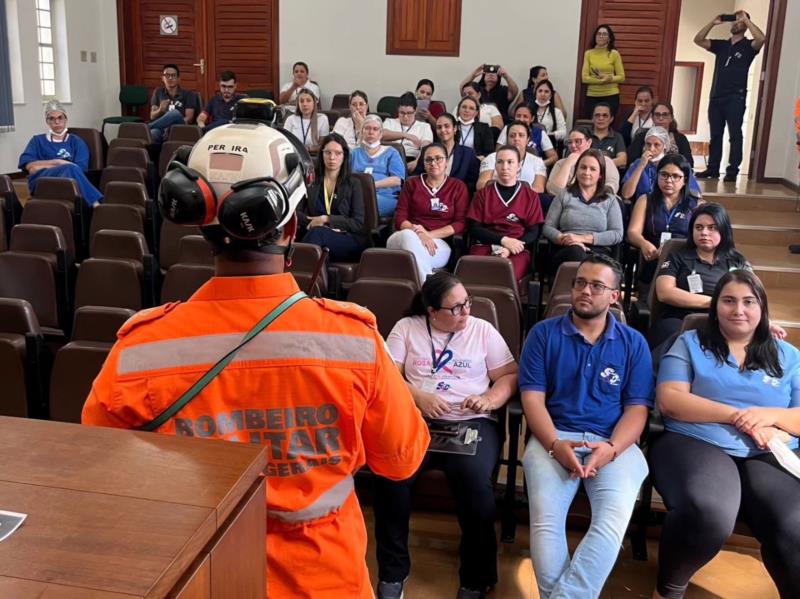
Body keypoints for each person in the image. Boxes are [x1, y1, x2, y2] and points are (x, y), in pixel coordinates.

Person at [81, 105, 429, 599]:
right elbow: (401, 459)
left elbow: (102, 476)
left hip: (195, 580)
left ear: (200, 224)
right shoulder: (354, 343)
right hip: (323, 583)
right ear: (290, 228)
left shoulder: (140, 350)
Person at [651, 270, 800, 599]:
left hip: (766, 450)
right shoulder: (690, 342)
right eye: (729, 301)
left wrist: (768, 418)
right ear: (715, 305)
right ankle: (668, 590)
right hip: (695, 440)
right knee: (710, 512)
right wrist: (737, 416)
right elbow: (671, 400)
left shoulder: (788, 356)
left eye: (749, 302)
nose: (739, 310)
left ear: (762, 308)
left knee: (795, 525)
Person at [374, 272, 518, 599]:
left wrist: (490, 400)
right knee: (391, 478)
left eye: (467, 303)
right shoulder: (407, 328)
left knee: (474, 483)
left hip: (471, 420)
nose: (465, 312)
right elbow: (386, 376)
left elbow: (510, 375)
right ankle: (393, 572)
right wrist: (418, 397)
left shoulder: (482, 330)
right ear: (431, 310)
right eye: (455, 308)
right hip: (418, 418)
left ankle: (476, 578)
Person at [520, 254, 652, 599]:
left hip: (613, 442)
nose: (585, 291)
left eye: (597, 285)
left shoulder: (633, 342)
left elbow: (637, 409)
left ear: (615, 295)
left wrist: (612, 449)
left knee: (611, 522)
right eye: (580, 282)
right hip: (555, 436)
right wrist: (552, 444)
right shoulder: (543, 334)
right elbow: (532, 399)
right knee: (546, 520)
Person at [650, 202, 750, 349]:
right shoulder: (677, 254)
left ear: (724, 230)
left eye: (712, 228)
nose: (704, 232)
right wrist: (713, 302)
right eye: (699, 227)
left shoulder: (737, 260)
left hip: (722, 319)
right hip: (679, 318)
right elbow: (665, 292)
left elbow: (752, 297)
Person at [694, 11, 765, 182]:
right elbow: (698, 39)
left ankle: (732, 170)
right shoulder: (722, 46)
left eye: (739, 20)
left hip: (735, 97)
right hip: (716, 97)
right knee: (716, 135)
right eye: (735, 20)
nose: (736, 22)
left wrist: (746, 20)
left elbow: (761, 39)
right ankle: (713, 169)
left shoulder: (749, 47)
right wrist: (713, 22)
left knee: (735, 134)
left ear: (746, 25)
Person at [388, 143, 469, 283]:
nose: (433, 163)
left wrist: (429, 235)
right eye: (428, 159)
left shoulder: (458, 187)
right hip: (404, 237)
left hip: (438, 243)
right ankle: (427, 286)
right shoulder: (411, 184)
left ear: (447, 161)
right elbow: (400, 219)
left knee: (411, 258)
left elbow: (460, 223)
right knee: (408, 236)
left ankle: (420, 286)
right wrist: (419, 233)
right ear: (423, 164)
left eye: (438, 158)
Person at [467, 145, 544, 284]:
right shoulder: (483, 194)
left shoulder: (531, 196)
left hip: (517, 249)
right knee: (475, 276)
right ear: (495, 166)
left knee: (505, 276)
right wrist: (503, 241)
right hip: (485, 245)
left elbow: (534, 232)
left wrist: (510, 247)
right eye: (500, 162)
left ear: (519, 166)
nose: (505, 167)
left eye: (510, 162)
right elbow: (474, 228)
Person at [627, 154, 700, 293]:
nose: (669, 180)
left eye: (675, 176)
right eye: (664, 175)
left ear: (685, 180)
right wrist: (643, 243)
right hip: (654, 254)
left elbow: (700, 237)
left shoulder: (696, 205)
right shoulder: (645, 200)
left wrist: (670, 249)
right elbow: (633, 232)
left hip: (683, 255)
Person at [543, 149, 624, 275]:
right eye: (583, 167)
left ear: (601, 174)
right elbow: (548, 227)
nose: (587, 172)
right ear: (576, 170)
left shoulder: (610, 200)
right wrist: (565, 239)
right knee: (575, 251)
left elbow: (617, 234)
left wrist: (582, 239)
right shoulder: (564, 195)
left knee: (590, 260)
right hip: (566, 250)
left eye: (593, 169)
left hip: (598, 253)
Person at [297, 133, 366, 263]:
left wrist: (326, 220)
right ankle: (319, 282)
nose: (332, 157)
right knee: (319, 241)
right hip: (315, 234)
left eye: (337, 153)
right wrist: (314, 223)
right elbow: (296, 213)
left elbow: (358, 223)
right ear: (321, 154)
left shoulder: (354, 183)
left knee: (318, 234)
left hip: (346, 238)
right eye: (327, 152)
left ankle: (298, 275)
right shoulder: (311, 181)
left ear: (344, 156)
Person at [19, 100, 103, 207]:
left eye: (60, 117)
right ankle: (97, 205)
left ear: (66, 119)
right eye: (52, 118)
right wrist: (58, 162)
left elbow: (79, 169)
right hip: (41, 183)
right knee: (68, 168)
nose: (57, 122)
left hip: (68, 183)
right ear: (47, 121)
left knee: (70, 169)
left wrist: (43, 166)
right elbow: (29, 166)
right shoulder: (37, 141)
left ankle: (96, 207)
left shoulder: (76, 142)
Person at [620, 127, 701, 201]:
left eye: (656, 145)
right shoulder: (637, 163)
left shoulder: (676, 163)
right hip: (643, 207)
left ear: (665, 146)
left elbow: (695, 193)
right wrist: (641, 166)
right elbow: (626, 194)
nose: (651, 149)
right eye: (648, 144)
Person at [350, 114, 405, 217]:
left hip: (384, 197)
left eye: (375, 129)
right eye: (367, 128)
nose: (371, 132)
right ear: (362, 132)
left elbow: (397, 180)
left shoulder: (391, 152)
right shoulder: (354, 153)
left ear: (380, 134)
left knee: (363, 203)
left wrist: (371, 186)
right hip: (357, 195)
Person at [413, 113, 480, 194]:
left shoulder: (468, 153)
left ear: (455, 128)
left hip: (456, 197)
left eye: (446, 126)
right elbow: (417, 176)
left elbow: (472, 182)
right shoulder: (427, 150)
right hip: (429, 194)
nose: (443, 130)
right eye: (439, 127)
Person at [547, 126, 620, 196]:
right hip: (569, 203)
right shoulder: (560, 163)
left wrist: (591, 195)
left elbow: (612, 186)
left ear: (589, 142)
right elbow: (553, 191)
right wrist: (567, 164)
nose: (573, 145)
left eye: (578, 141)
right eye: (570, 142)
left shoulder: (605, 161)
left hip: (600, 202)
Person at [478, 120, 546, 193]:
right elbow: (481, 185)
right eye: (512, 136)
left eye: (521, 135)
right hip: (495, 197)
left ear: (527, 140)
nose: (516, 139)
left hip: (524, 200)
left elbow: (539, 188)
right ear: (507, 139)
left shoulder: (538, 161)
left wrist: (516, 195)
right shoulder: (491, 158)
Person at [382, 92, 434, 173]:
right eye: (402, 113)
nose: (405, 117)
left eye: (409, 113)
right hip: (388, 158)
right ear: (398, 110)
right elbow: (381, 135)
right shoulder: (390, 122)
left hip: (411, 159)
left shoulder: (424, 127)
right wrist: (405, 135)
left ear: (415, 110)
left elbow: (426, 146)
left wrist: (417, 162)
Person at [148, 63, 201, 143]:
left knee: (174, 114)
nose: (170, 78)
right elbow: (152, 116)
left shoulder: (188, 94)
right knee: (152, 134)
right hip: (161, 127)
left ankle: (145, 128)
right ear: (162, 78)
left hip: (179, 127)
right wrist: (160, 110)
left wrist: (172, 126)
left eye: (173, 75)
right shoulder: (158, 92)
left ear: (178, 79)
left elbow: (189, 118)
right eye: (167, 75)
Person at [628, 102, 693, 166]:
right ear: (652, 117)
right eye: (657, 114)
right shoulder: (641, 136)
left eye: (665, 115)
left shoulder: (680, 139)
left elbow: (689, 163)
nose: (661, 118)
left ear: (671, 118)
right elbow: (632, 161)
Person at [582, 24, 625, 119]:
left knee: (607, 124)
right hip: (592, 96)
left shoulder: (614, 54)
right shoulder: (588, 53)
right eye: (599, 34)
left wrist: (609, 78)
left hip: (611, 95)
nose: (601, 36)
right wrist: (601, 80)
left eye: (604, 34)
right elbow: (585, 78)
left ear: (609, 38)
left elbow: (621, 77)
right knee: (592, 125)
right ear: (595, 36)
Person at [283, 87, 330, 152]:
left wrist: (308, 149)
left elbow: (324, 145)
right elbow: (284, 141)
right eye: (301, 101)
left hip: (313, 156)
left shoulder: (322, 119)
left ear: (314, 102)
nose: (305, 104)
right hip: (294, 154)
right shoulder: (290, 119)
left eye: (308, 100)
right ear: (298, 104)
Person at [589, 102, 627, 169]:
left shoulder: (617, 137)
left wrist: (600, 165)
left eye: (605, 115)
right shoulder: (584, 135)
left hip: (609, 174)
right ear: (592, 118)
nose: (601, 118)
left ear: (611, 119)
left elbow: (623, 160)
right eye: (597, 115)